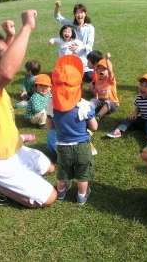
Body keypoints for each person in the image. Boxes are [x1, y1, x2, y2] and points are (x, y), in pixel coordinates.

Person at [0, 11, 57, 209]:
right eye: (5, 52)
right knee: (49, 198)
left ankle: (12, 180)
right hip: (0, 162)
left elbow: (2, 63)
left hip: (16, 148)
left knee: (50, 168)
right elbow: (6, 71)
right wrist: (27, 27)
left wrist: (9, 36)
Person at [51, 55, 98, 205]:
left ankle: (61, 193)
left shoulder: (52, 105)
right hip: (82, 146)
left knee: (63, 173)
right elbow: (94, 127)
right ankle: (81, 196)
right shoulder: (84, 106)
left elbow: (48, 125)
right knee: (82, 175)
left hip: (62, 147)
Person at [107, 73, 147, 153]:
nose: (142, 88)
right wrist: (134, 113)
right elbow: (138, 108)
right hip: (143, 120)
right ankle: (118, 131)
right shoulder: (139, 97)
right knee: (129, 119)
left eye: (146, 86)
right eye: (141, 85)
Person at [54, 1, 95, 82]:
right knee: (63, 77)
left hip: (85, 60)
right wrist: (57, 7)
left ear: (85, 13)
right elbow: (57, 17)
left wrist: (79, 47)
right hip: (71, 59)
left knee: (90, 77)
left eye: (81, 12)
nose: (79, 15)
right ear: (74, 15)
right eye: (77, 13)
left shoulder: (90, 28)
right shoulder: (71, 24)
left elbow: (89, 46)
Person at [90, 54, 119, 121]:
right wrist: (94, 93)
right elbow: (96, 92)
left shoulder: (110, 80)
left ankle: (98, 116)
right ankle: (89, 114)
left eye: (103, 69)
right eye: (99, 69)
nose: (101, 71)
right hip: (100, 101)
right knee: (92, 101)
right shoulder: (97, 79)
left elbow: (110, 71)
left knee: (108, 103)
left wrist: (107, 60)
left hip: (112, 103)